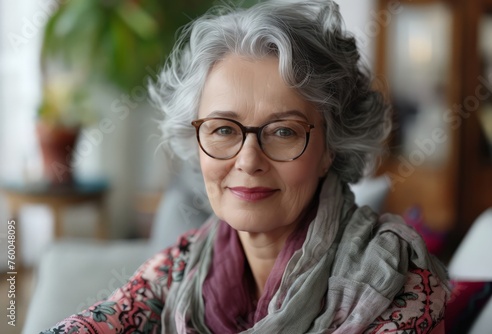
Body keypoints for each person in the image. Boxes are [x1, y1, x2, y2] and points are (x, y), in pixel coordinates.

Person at [42, 0, 449, 333]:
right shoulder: (183, 266)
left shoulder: (400, 281)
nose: (249, 160)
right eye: (222, 129)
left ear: (330, 147)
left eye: (284, 131)